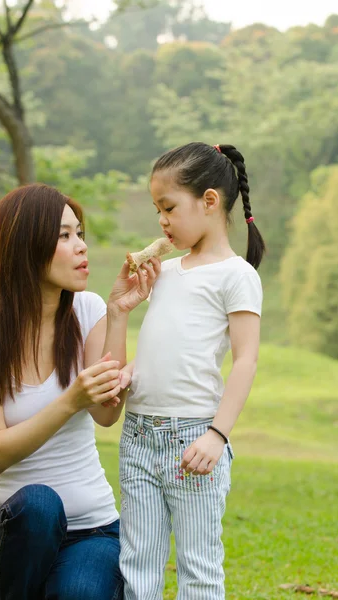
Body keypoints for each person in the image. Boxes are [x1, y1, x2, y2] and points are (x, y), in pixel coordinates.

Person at [0, 183, 160, 600]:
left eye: (80, 233)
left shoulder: (89, 310)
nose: (81, 247)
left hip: (92, 531)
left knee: (79, 592)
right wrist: (68, 401)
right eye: (64, 236)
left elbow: (106, 413)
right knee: (41, 505)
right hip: (6, 533)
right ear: (23, 247)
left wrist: (117, 314)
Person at [118, 142, 265, 600]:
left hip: (194, 441)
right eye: (156, 209)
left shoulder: (236, 275)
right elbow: (170, 344)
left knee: (198, 567)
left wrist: (217, 435)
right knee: (137, 560)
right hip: (138, 434)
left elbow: (246, 359)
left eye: (169, 207)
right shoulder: (164, 271)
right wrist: (131, 370)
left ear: (209, 201)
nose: (161, 221)